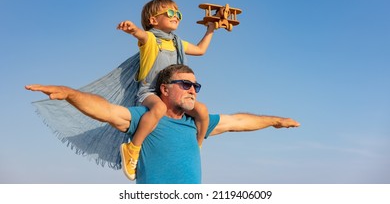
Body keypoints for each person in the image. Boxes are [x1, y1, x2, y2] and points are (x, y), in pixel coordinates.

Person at [25, 64, 300, 184]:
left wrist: (275, 121)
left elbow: (239, 121)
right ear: (164, 90)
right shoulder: (144, 119)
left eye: (196, 85)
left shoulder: (196, 124)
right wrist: (72, 94)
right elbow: (106, 111)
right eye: (185, 84)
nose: (192, 90)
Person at [116, 0, 216, 180]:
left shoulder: (177, 43)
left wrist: (210, 30)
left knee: (202, 110)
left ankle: (196, 145)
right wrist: (132, 29)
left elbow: (201, 50)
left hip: (171, 92)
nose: (175, 16)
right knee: (159, 108)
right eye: (170, 12)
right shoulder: (151, 40)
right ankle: (133, 148)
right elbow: (141, 34)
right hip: (150, 92)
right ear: (153, 20)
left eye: (178, 13)